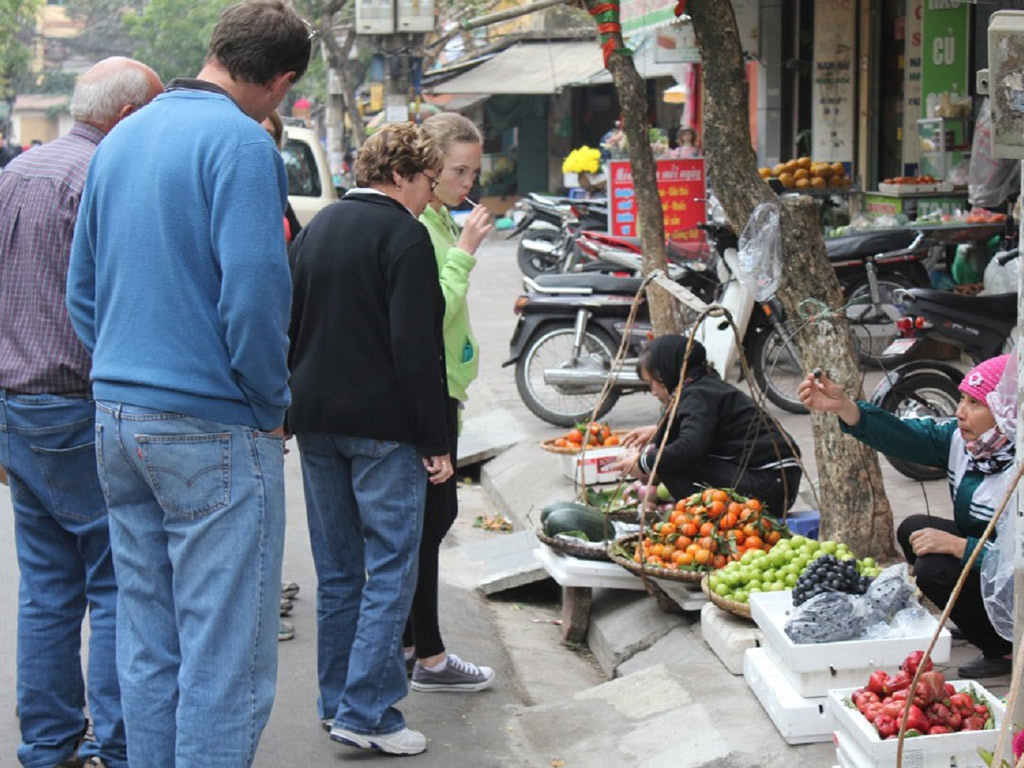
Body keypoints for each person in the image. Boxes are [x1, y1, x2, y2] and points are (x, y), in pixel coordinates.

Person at [66, 3, 311, 765]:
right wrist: (269, 404)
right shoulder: (241, 143)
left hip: (117, 417)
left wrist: (123, 371)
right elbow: (256, 293)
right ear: (283, 81)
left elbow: (81, 291)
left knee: (150, 639)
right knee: (225, 654)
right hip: (212, 424)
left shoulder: (122, 136)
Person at [0, 56, 162, 768]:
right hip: (76, 402)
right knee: (116, 583)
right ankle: (116, 743)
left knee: (47, 591)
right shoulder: (103, 175)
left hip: (18, 405)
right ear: (126, 116)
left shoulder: (15, 176)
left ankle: (48, 745)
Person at [287, 122, 451, 756]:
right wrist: (435, 438)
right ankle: (368, 711)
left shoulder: (318, 228)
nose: (429, 196)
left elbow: (290, 324)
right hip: (384, 430)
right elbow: (416, 349)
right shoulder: (403, 236)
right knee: (389, 569)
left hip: (316, 424)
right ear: (405, 175)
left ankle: (340, 705)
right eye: (429, 183)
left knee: (338, 575)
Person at [798, 355, 1017, 679]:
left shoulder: (1020, 466)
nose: (960, 412)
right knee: (915, 529)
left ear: (1007, 411)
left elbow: (1018, 562)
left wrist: (961, 547)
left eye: (975, 403)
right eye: (961, 399)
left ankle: (1004, 647)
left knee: (933, 570)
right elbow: (905, 435)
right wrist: (845, 406)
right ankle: (978, 618)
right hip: (987, 548)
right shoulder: (966, 442)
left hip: (1015, 572)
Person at [403, 112, 495, 692]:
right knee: (429, 523)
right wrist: (464, 249)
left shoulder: (436, 218)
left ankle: (414, 643)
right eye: (458, 171)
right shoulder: (421, 227)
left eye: (473, 172)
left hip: (446, 387)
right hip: (429, 392)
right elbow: (430, 307)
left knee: (429, 522)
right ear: (429, 168)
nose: (468, 184)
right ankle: (428, 655)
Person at [610, 336, 802, 516]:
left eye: (653, 383)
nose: (652, 391)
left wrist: (643, 463)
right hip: (777, 481)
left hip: (770, 486)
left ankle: (703, 518)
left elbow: (691, 447)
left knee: (670, 462)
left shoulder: (696, 395)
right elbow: (704, 427)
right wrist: (658, 430)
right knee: (667, 452)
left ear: (668, 372)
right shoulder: (703, 385)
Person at [259, 109, 303, 643]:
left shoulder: (277, 195)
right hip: (248, 380)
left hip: (277, 357)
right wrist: (266, 394)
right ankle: (259, 605)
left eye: (271, 138)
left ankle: (266, 592)